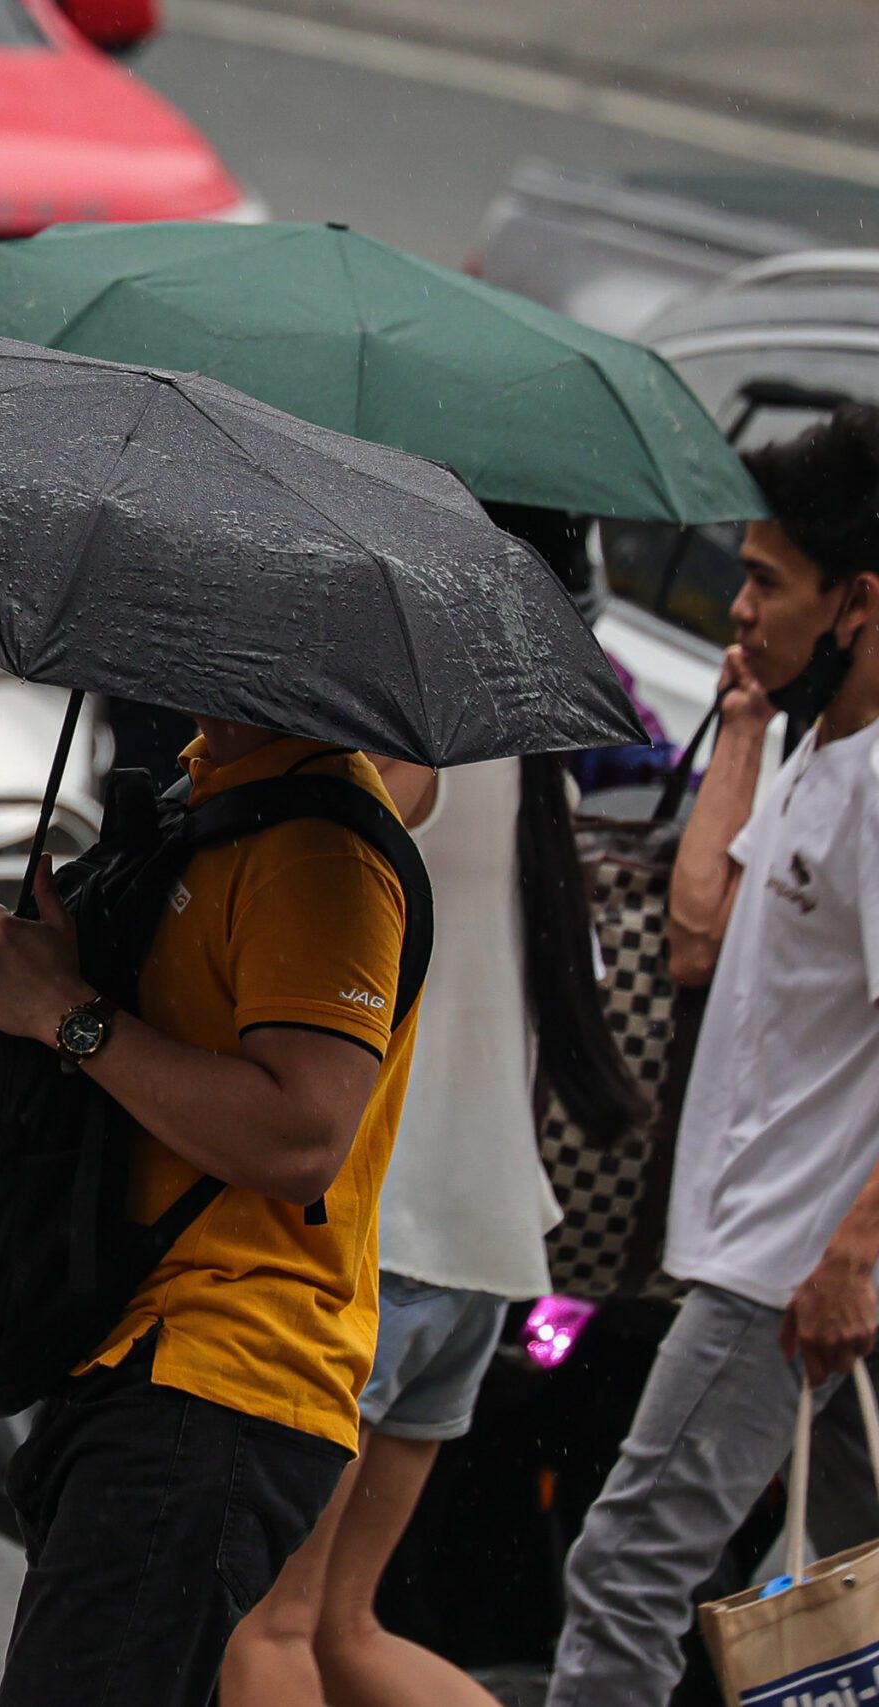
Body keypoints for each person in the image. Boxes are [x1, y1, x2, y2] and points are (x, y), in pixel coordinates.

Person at [0, 719, 420, 1707]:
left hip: (219, 1373)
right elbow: (131, 1100)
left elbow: (299, 1138)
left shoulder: (322, 850)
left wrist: (64, 1012)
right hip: (124, 1352)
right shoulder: (200, 801)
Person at [546, 407, 879, 1707]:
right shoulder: (819, 741)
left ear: (858, 602)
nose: (735, 608)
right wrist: (743, 722)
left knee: (626, 1566)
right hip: (787, 1250)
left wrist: (850, 1246)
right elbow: (700, 934)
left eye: (763, 583)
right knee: (856, 1581)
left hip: (788, 1261)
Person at [220, 750, 643, 1707]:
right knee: (345, 1626)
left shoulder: (392, 771)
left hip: (383, 1242)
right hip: (480, 1251)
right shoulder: (538, 783)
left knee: (269, 1627)